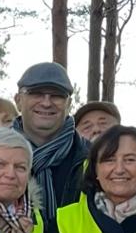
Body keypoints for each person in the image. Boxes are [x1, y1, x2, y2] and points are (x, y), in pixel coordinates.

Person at [5, 62, 87, 209]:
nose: (46, 103)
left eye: (57, 96)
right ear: (18, 101)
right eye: (36, 93)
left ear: (68, 104)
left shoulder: (93, 158)